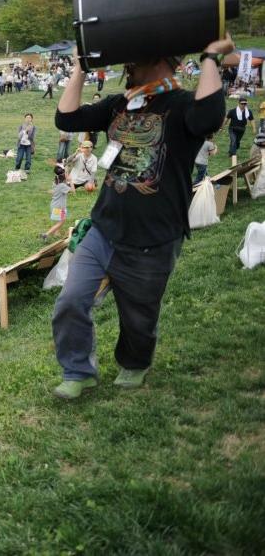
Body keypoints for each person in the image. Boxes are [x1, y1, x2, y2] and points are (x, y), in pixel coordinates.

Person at [49, 36, 231, 399]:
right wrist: (80, 68)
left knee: (138, 317)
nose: (128, 66)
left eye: (135, 60)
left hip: (154, 237)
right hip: (104, 228)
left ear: (163, 58)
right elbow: (66, 118)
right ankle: (78, 370)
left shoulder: (182, 105)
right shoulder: (121, 104)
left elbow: (211, 115)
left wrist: (210, 57)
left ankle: (134, 363)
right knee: (70, 300)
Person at [41, 166, 74, 241]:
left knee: (59, 220)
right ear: (64, 177)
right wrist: (71, 180)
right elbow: (73, 191)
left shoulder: (55, 182)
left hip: (54, 205)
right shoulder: (62, 186)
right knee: (61, 221)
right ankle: (46, 234)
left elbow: (64, 180)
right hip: (59, 207)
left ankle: (56, 232)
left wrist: (67, 171)